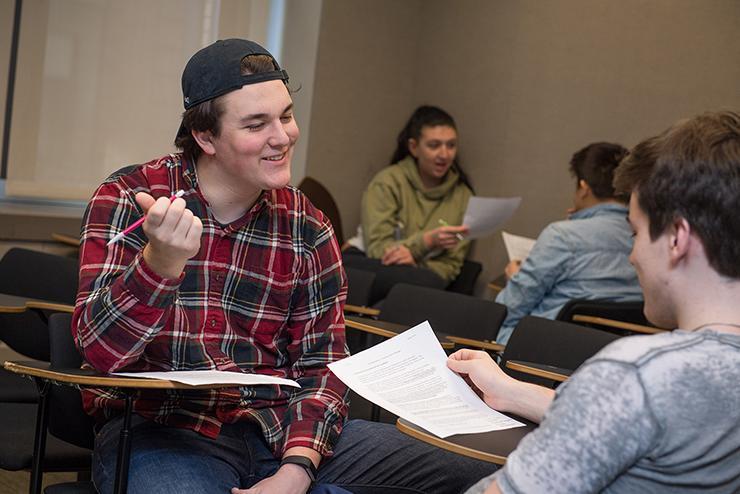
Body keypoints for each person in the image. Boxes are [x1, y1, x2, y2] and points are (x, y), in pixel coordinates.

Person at [72, 39, 496, 494]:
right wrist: (159, 265)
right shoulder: (131, 196)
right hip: (165, 431)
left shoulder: (308, 226)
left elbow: (323, 365)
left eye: (287, 116)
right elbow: (100, 355)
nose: (283, 137)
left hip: (280, 428)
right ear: (205, 136)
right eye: (257, 124)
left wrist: (297, 469)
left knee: (486, 469)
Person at [449, 111, 740, 493]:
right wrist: (513, 390)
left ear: (676, 239)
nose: (632, 255)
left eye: (635, 232)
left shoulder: (631, 373)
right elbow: (634, 417)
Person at [494, 142, 643, 344]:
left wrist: (516, 279)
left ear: (583, 188)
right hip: (609, 354)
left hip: (538, 352)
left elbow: (508, 310)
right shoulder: (646, 237)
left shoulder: (562, 236)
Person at [343, 105, 472, 304]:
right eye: (434, 145)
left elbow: (451, 265)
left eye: (451, 145)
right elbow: (378, 249)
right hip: (370, 261)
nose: (444, 155)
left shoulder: (463, 196)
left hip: (420, 274)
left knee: (430, 284)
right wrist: (426, 242)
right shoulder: (388, 182)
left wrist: (415, 262)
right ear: (414, 147)